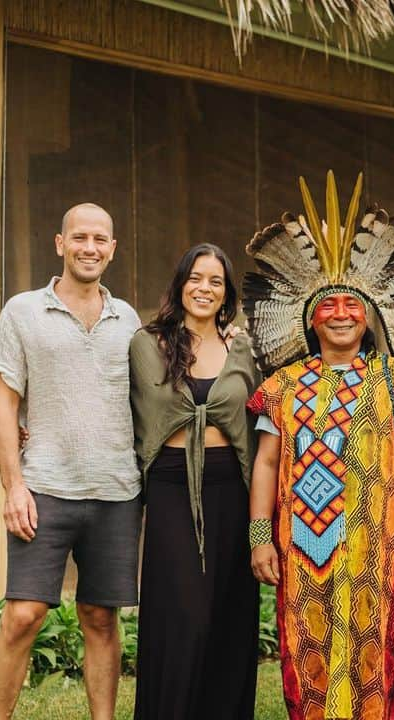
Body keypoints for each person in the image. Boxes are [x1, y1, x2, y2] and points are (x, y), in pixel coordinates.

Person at [244, 172, 394, 720]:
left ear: (369, 316)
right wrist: (261, 537)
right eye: (327, 306)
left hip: (379, 549)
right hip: (301, 551)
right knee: (305, 654)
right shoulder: (281, 387)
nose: (339, 314)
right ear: (310, 319)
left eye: (350, 306)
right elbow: (265, 463)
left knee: (374, 657)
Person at [0, 203, 142, 720]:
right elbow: (4, 399)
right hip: (45, 488)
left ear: (112, 249)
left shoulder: (129, 322)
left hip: (117, 492)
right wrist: (13, 485)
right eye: (80, 237)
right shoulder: (23, 311)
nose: (90, 247)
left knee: (100, 617)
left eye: (100, 239)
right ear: (60, 243)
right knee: (24, 615)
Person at [129, 243, 259, 719]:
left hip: (233, 490)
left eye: (215, 281)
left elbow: (261, 421)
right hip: (170, 488)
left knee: (228, 615)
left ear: (226, 294)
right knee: (184, 618)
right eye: (196, 278)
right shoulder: (148, 342)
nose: (204, 288)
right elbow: (120, 406)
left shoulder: (241, 348)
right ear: (180, 284)